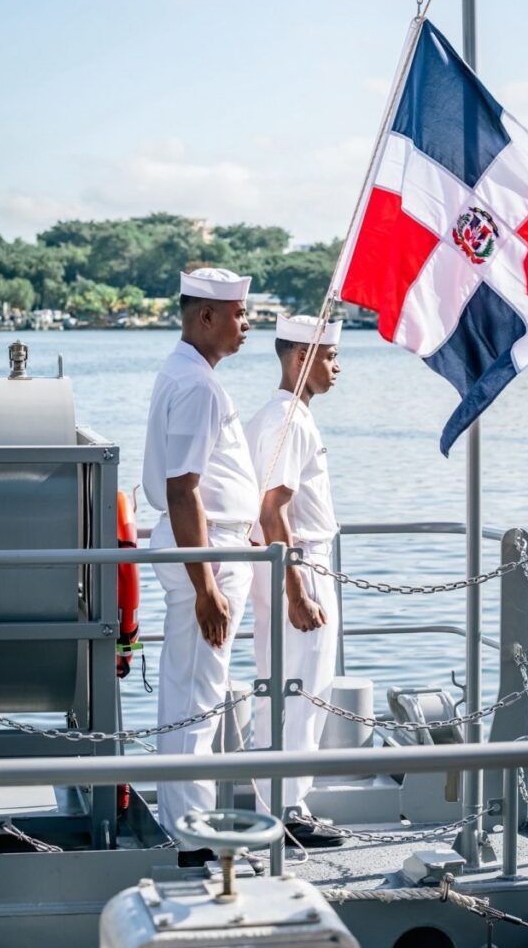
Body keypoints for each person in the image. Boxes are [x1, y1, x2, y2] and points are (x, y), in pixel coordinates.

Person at [142, 267, 259, 864]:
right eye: (239, 314)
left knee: (187, 689)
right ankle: (193, 839)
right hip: (206, 555)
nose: (248, 323)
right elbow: (184, 490)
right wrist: (206, 583)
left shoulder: (189, 373)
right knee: (198, 696)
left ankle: (182, 824)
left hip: (209, 550)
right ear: (205, 316)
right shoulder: (198, 387)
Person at [245, 314, 344, 847]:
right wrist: (296, 590)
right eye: (328, 356)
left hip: (299, 562)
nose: (337, 367)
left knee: (296, 687)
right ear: (298, 358)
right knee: (296, 688)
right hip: (298, 563)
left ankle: (285, 803)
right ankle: (284, 811)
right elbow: (272, 509)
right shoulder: (288, 419)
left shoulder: (289, 416)